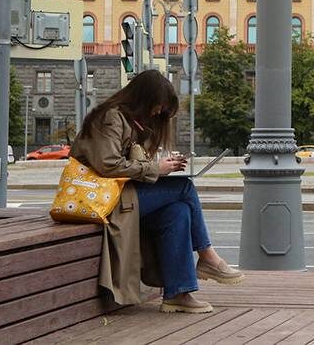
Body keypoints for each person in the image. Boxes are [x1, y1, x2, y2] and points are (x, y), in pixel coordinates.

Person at [70, 70, 242, 314]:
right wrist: (155, 168)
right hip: (103, 200)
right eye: (157, 107)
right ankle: (208, 257)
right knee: (185, 188)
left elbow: (132, 165)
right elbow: (107, 165)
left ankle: (178, 294)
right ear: (143, 98)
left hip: (122, 196)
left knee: (178, 210)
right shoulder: (110, 118)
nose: (156, 113)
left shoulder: (132, 123)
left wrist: (161, 166)